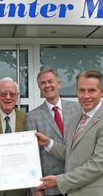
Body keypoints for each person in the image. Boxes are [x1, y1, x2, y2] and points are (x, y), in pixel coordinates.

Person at [35, 70, 103, 196]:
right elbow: (73, 155)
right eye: (82, 90)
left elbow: (97, 166)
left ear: (102, 92)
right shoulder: (76, 118)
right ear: (76, 91)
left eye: (92, 90)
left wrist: (59, 181)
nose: (86, 96)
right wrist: (49, 143)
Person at [26, 68, 80, 196]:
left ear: (59, 83)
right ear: (39, 88)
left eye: (50, 81)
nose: (47, 86)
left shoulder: (77, 109)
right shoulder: (32, 116)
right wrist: (35, 189)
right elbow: (31, 155)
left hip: (77, 183)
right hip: (50, 186)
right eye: (43, 83)